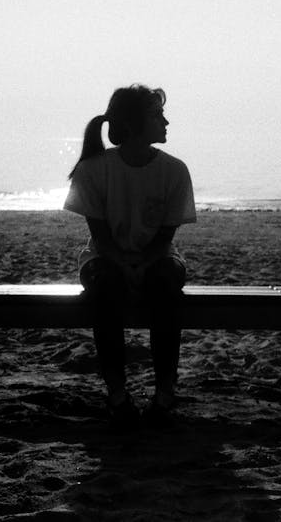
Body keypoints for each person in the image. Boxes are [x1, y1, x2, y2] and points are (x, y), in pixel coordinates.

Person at [64, 84, 196, 429]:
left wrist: (143, 264)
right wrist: (123, 265)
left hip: (160, 257)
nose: (166, 122)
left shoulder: (175, 170)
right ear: (136, 123)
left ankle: (165, 392)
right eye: (158, 115)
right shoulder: (93, 169)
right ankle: (118, 395)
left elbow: (166, 236)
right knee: (106, 289)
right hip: (103, 258)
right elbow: (100, 235)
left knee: (165, 287)